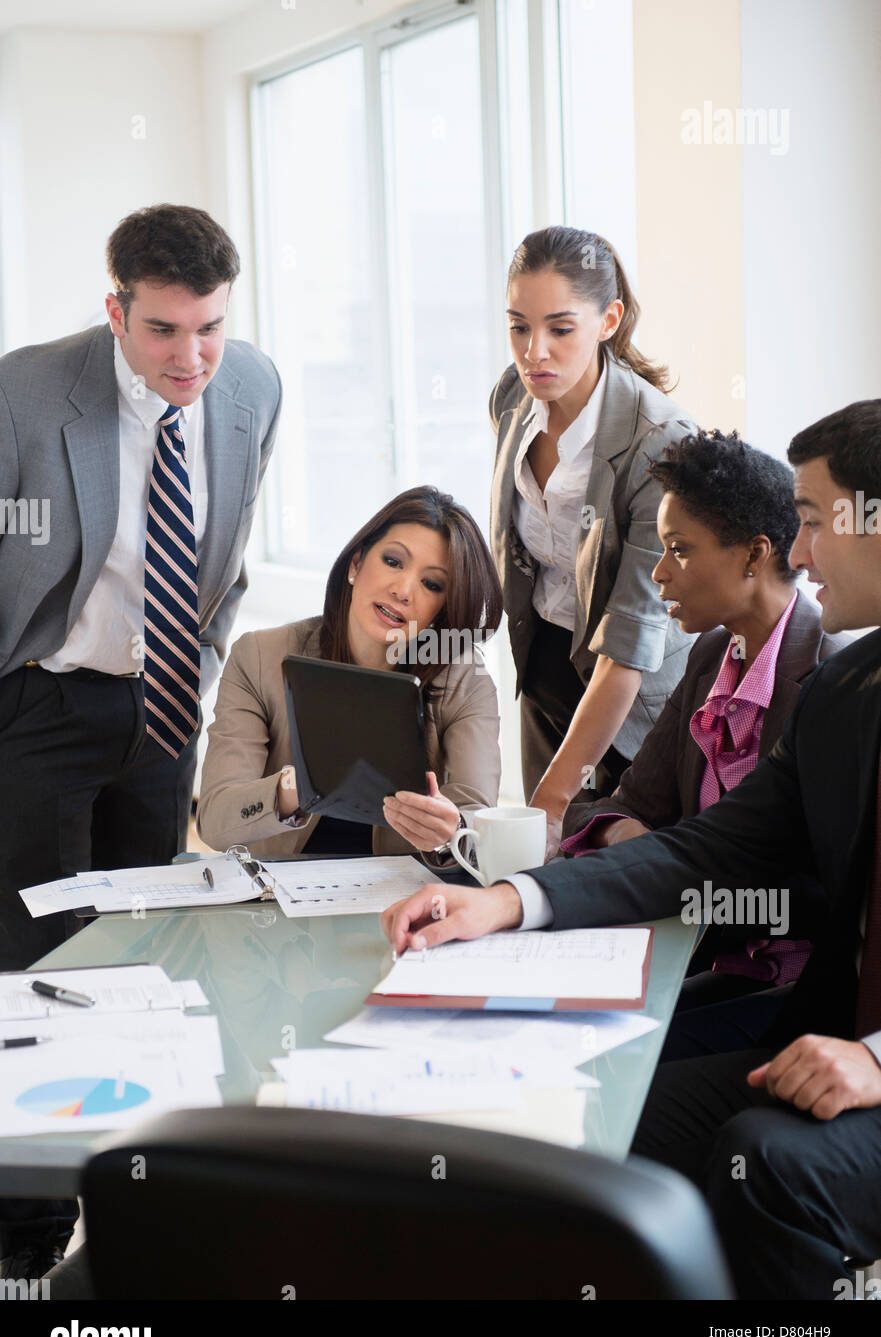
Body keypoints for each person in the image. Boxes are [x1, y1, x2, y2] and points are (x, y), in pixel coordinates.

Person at [382, 399, 881, 1301]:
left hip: (856, 1047)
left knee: (767, 1159)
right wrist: (504, 901)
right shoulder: (850, 689)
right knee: (603, 1108)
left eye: (810, 524)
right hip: (823, 1028)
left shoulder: (824, 670)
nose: (800, 555)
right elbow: (708, 845)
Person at [0, 203, 281, 1279]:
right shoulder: (26, 391)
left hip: (162, 706)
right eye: (164, 330)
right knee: (36, 972)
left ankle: (130, 1224)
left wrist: (196, 685)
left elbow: (226, 553)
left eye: (209, 326)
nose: (192, 356)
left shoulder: (251, 385)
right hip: (39, 705)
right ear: (114, 311)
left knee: (143, 970)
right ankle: (22, 1245)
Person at [561, 429, 849, 1058]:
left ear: (753, 555)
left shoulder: (834, 675)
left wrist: (677, 872)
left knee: (619, 1055)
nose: (660, 573)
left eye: (678, 550)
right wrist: (624, 835)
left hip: (804, 992)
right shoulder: (713, 654)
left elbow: (821, 892)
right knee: (570, 1029)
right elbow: (616, 805)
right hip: (707, 960)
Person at [490, 225, 697, 859]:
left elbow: (629, 647)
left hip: (634, 702)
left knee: (617, 881)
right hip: (547, 669)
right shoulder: (510, 396)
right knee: (549, 892)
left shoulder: (658, 442)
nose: (534, 352)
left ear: (608, 320)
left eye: (559, 328)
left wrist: (550, 803)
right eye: (518, 326)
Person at [197, 485, 502, 862]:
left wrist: (448, 831)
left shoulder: (466, 684)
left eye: (431, 584)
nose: (403, 590)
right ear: (356, 564)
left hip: (399, 903)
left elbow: (481, 826)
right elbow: (216, 820)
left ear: (443, 608)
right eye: (393, 561)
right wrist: (303, 784)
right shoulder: (261, 657)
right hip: (281, 904)